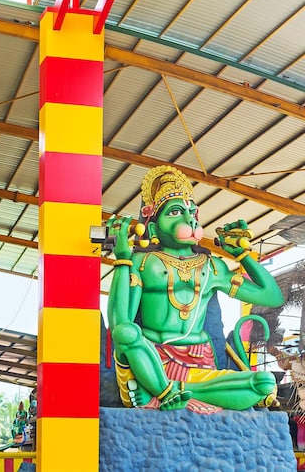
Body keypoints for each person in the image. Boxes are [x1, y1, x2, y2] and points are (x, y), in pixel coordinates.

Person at [107, 165, 284, 412]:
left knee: (264, 384)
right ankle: (163, 390)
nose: (189, 220)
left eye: (192, 213)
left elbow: (271, 296)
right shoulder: (143, 262)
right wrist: (123, 259)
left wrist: (243, 255)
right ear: (154, 226)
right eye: (176, 212)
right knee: (127, 334)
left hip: (199, 364)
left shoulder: (212, 267)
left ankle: (169, 393)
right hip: (149, 362)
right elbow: (120, 323)